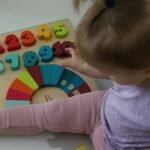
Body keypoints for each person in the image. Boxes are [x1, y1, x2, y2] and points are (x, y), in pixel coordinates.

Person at [1, 0, 150, 149]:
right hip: (99, 109)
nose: (107, 73)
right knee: (48, 111)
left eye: (111, 72)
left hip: (118, 146)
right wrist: (85, 66)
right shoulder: (135, 66)